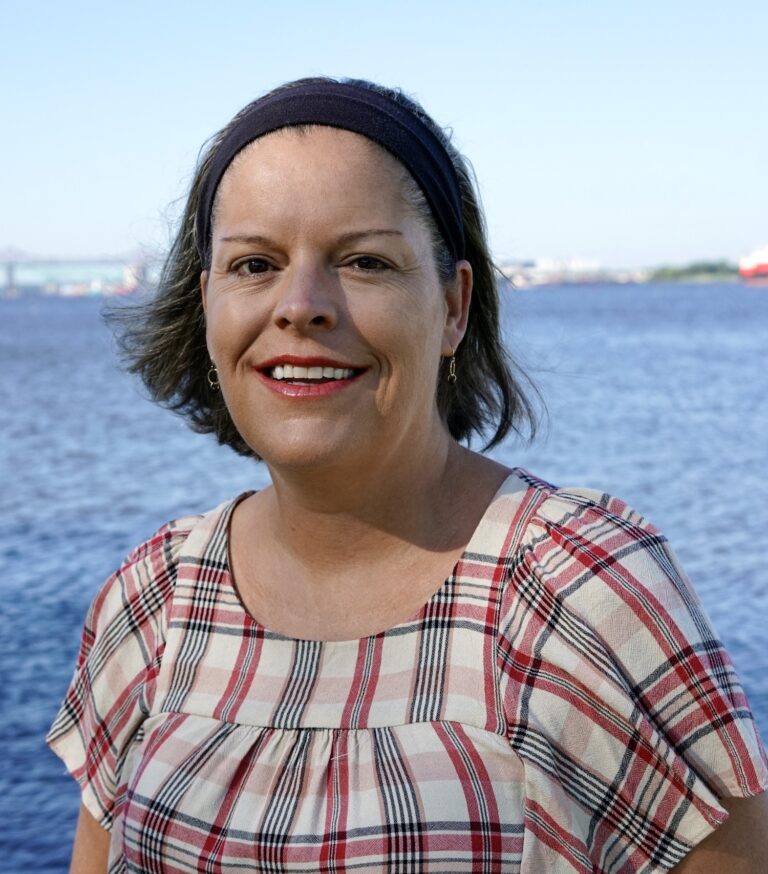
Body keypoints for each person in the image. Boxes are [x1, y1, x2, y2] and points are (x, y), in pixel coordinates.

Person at [47, 77, 768, 873]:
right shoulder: (152, 599)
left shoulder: (576, 593)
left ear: (454, 307)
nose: (302, 306)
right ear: (208, 303)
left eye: (364, 260)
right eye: (254, 263)